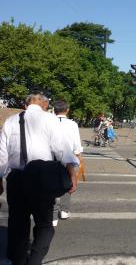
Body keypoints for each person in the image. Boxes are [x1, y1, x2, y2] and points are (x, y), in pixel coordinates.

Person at [0, 92, 79, 265]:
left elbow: (2, 155)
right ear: (45, 105)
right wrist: (72, 174)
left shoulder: (11, 121)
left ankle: (18, 260)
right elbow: (62, 150)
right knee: (44, 224)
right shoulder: (49, 119)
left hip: (16, 178)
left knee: (18, 223)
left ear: (25, 104)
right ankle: (34, 259)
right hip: (41, 178)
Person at [53, 100, 83, 223]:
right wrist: (79, 159)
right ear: (67, 110)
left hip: (51, 158)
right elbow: (76, 146)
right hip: (68, 160)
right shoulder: (72, 124)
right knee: (68, 183)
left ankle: (53, 215)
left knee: (52, 185)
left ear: (54, 110)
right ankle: (64, 211)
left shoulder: (49, 122)